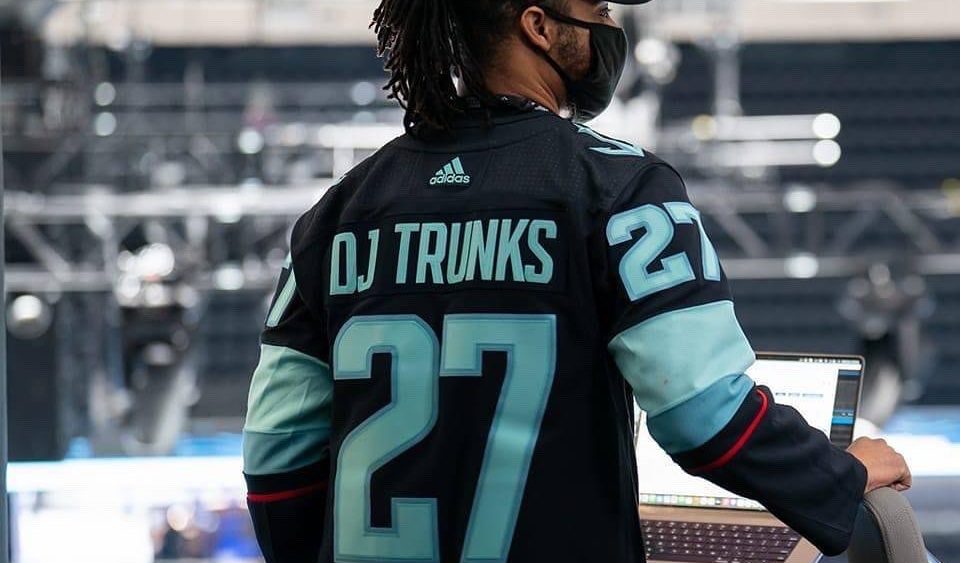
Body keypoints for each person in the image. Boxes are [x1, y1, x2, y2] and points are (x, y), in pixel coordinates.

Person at [241, 1, 913, 562]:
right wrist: (840, 473)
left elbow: (276, 455)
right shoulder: (621, 188)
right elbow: (705, 417)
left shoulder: (333, 215)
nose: (608, 27)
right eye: (598, 10)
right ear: (538, 27)